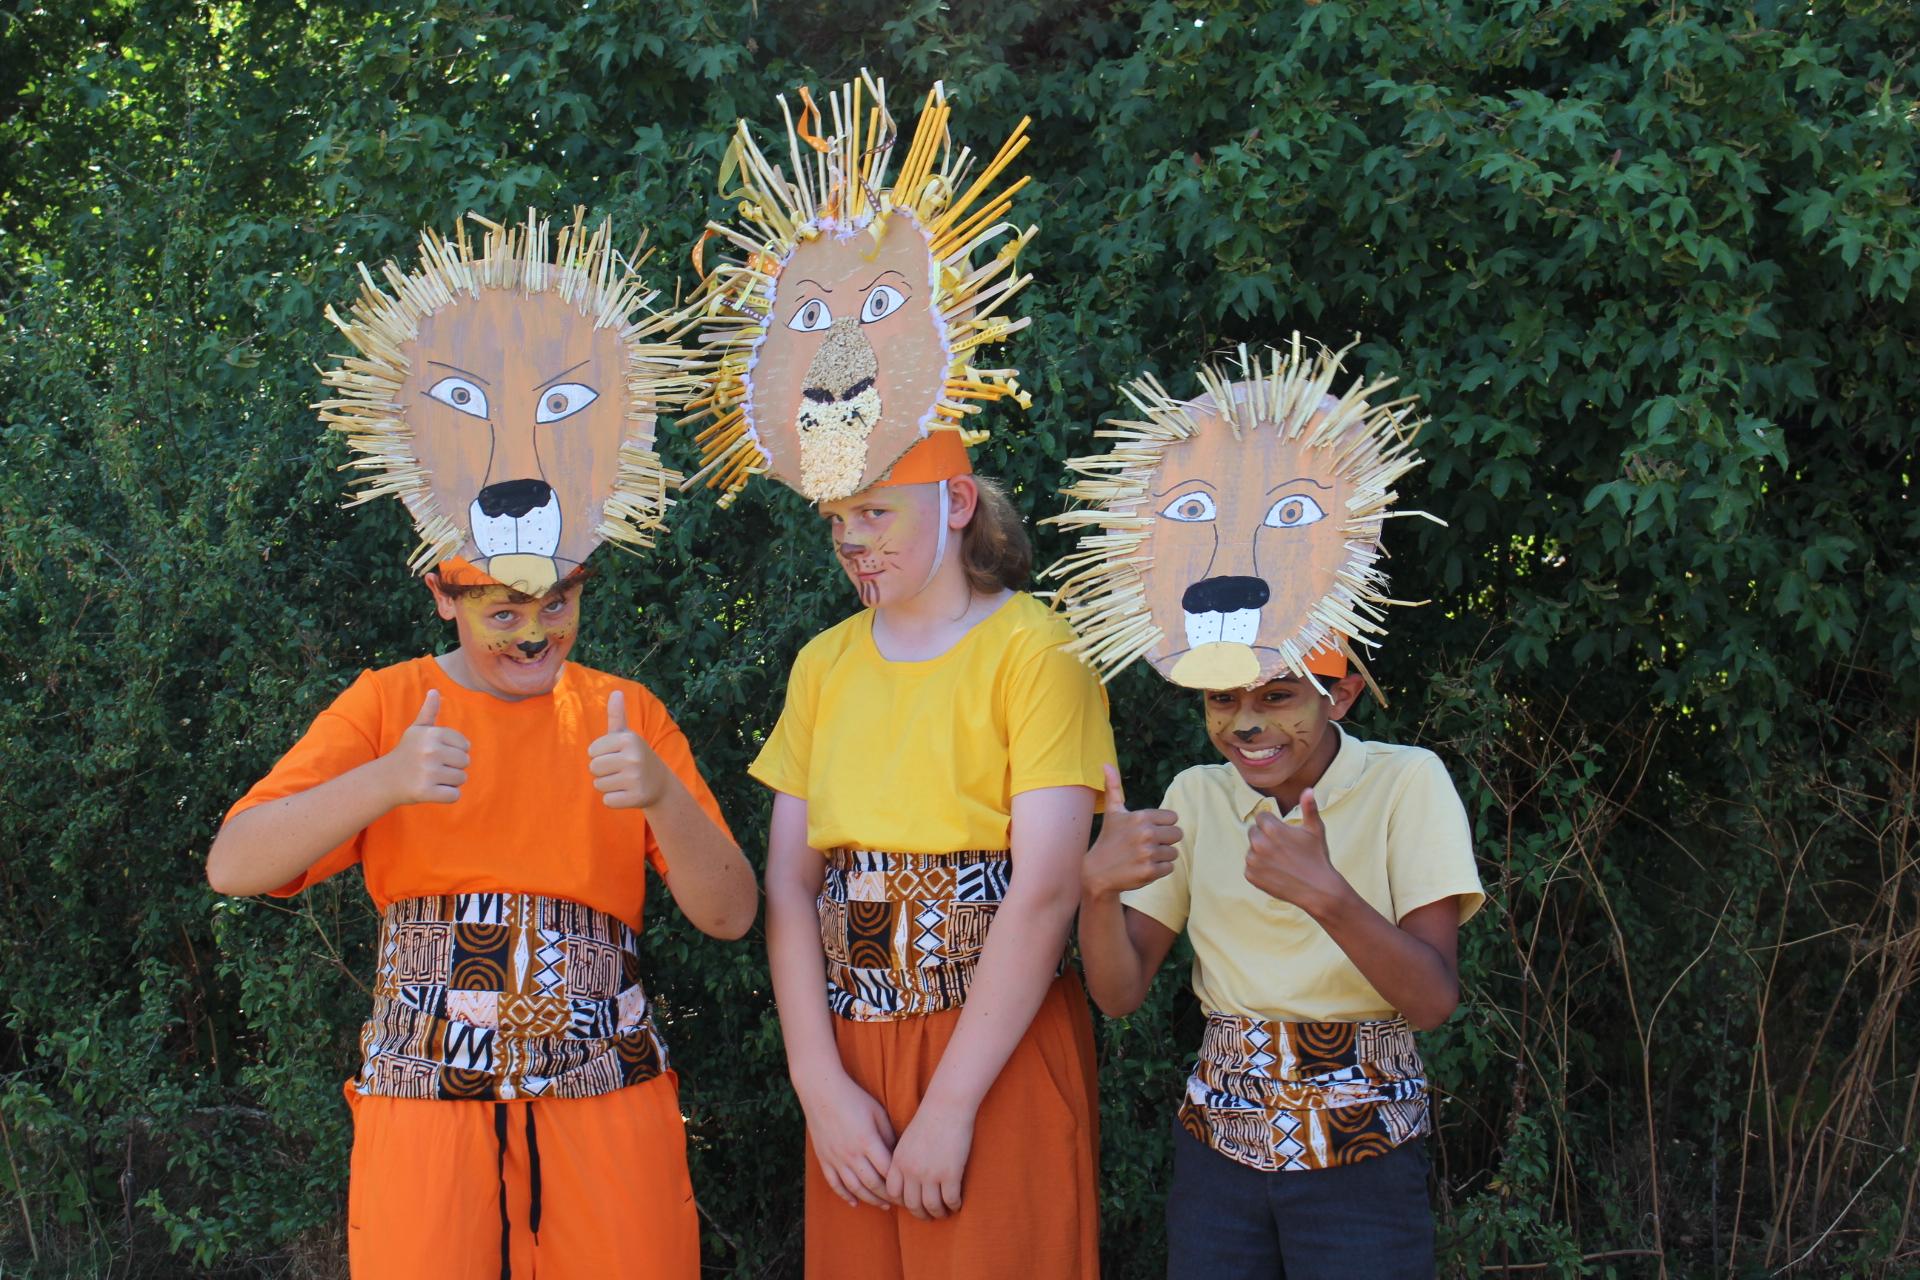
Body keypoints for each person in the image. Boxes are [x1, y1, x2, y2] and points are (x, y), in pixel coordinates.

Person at [207, 211, 757, 1279]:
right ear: (440, 595)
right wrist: (386, 781)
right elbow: (234, 863)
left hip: (605, 1101)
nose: (535, 632)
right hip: (425, 1109)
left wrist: (661, 795)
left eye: (558, 604)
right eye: (501, 610)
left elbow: (730, 912)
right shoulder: (389, 703)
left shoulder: (625, 712)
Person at [684, 74, 1113, 1278]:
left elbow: (1045, 888)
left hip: (994, 1053)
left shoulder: (1037, 647)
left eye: (876, 510)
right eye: (838, 518)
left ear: (957, 499)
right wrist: (818, 1083)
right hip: (855, 1061)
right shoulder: (823, 663)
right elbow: (790, 885)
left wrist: (955, 1100)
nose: (852, 540)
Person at [1047, 340, 1485, 1279]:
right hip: (1223, 1151)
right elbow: (1119, 996)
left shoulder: (1409, 783)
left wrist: (1326, 894)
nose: (1246, 723)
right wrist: (1095, 888)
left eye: (1278, 696)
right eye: (1223, 701)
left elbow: (1432, 1001)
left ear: (1343, 693)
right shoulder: (1195, 798)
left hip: (1365, 1154)